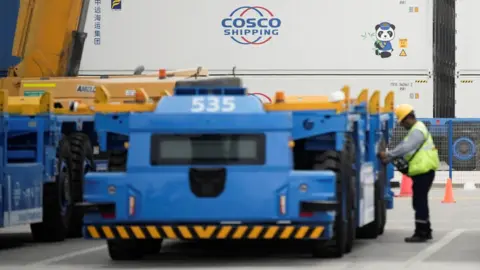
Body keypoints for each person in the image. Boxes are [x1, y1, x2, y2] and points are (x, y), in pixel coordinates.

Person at [378, 104, 440, 243]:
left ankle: (421, 232)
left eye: (402, 122)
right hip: (422, 171)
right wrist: (391, 157)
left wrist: (388, 154)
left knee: (419, 202)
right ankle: (426, 230)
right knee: (420, 201)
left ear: (408, 118)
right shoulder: (416, 129)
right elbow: (405, 147)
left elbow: (407, 147)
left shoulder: (417, 130)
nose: (402, 125)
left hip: (424, 171)